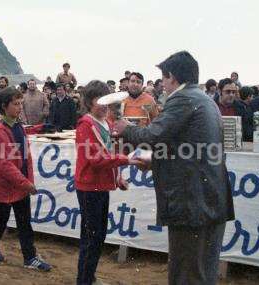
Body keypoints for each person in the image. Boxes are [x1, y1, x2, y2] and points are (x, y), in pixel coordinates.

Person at [118, 51, 234, 285]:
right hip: (210, 201)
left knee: (185, 274)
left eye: (163, 78)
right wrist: (155, 161)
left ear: (172, 76)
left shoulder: (182, 99)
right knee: (203, 272)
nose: (162, 84)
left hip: (192, 205)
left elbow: (152, 135)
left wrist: (125, 128)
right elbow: (190, 150)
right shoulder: (205, 100)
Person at [0, 86, 51, 271]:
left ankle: (29, 257)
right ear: (4, 106)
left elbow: (24, 156)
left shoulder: (19, 126)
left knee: (24, 223)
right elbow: (4, 165)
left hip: (20, 186)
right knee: (0, 221)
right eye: (16, 104)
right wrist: (25, 182)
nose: (19, 107)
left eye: (20, 103)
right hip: (6, 186)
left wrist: (27, 180)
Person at [75, 80, 132, 285]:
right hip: (89, 187)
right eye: (101, 101)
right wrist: (128, 160)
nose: (105, 105)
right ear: (90, 102)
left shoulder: (104, 123)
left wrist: (118, 177)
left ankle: (88, 277)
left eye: (107, 101)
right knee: (92, 239)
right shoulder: (86, 125)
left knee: (97, 237)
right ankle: (84, 280)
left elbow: (108, 154)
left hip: (99, 186)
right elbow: (97, 159)